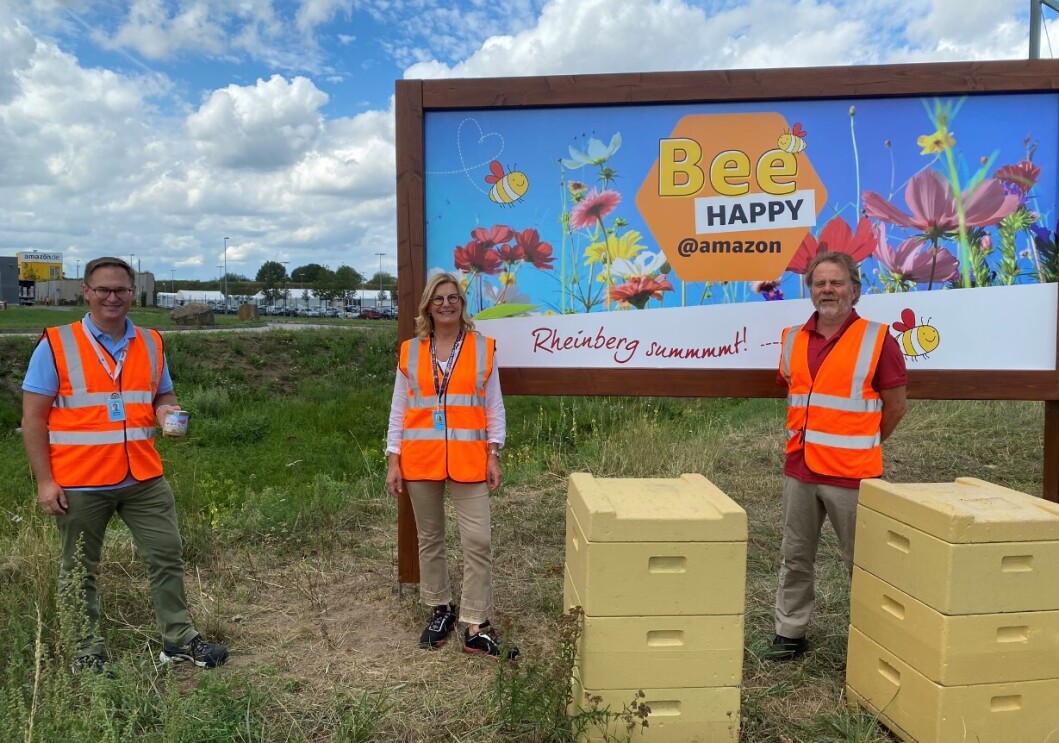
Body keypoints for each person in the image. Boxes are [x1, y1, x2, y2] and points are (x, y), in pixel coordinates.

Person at [21, 256, 228, 674]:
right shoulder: (56, 344)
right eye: (103, 289)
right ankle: (86, 652)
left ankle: (179, 640)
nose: (112, 297)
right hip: (80, 480)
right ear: (87, 292)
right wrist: (45, 482)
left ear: (133, 293)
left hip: (143, 477)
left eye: (121, 290)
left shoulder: (151, 342)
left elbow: (162, 394)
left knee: (167, 555)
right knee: (79, 569)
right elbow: (33, 419)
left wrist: (167, 412)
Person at [767, 251, 908, 662]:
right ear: (811, 291)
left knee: (864, 563)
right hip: (800, 469)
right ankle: (789, 633)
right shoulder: (792, 338)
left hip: (853, 475)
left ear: (855, 290)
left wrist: (862, 442)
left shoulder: (879, 340)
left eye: (837, 282)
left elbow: (896, 407)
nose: (828, 290)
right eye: (820, 283)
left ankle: (874, 638)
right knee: (795, 556)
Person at [385, 272, 517, 661]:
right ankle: (440, 608)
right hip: (420, 458)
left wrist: (494, 452)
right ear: (428, 306)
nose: (446, 304)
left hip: (469, 458)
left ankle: (476, 624)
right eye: (438, 298)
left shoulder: (481, 348)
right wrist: (393, 458)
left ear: (462, 303)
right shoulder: (411, 351)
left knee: (478, 540)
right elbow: (399, 408)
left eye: (453, 297)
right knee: (430, 538)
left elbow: (494, 405)